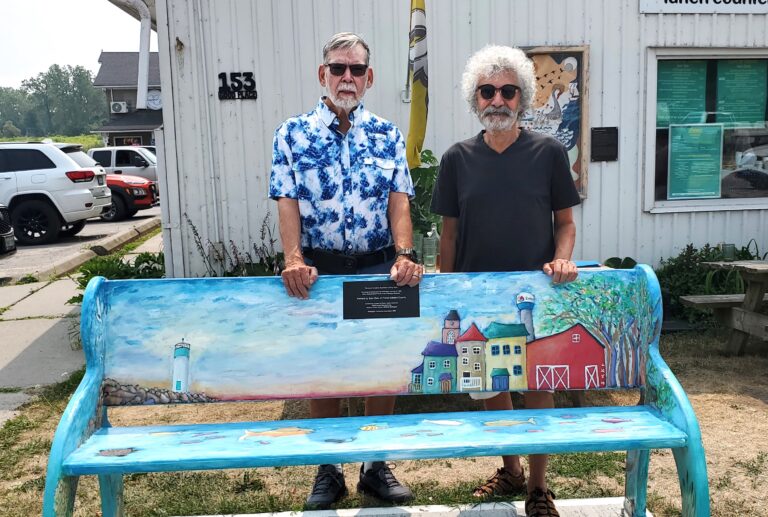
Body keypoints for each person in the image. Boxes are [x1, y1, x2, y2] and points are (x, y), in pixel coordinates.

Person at [269, 32, 422, 510]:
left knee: (382, 369)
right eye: (338, 68)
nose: (348, 77)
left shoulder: (388, 135)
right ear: (323, 74)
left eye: (357, 69)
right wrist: (294, 258)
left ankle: (375, 466)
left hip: (378, 267)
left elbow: (399, 200)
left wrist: (404, 252)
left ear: (370, 77)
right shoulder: (292, 135)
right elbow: (287, 202)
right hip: (321, 270)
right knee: (325, 369)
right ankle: (329, 469)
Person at [430, 45, 580, 517]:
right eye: (488, 90)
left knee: (536, 386)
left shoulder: (549, 152)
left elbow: (566, 224)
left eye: (508, 91)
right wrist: (447, 290)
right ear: (475, 99)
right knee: (492, 385)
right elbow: (448, 233)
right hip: (476, 293)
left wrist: (562, 260)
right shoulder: (456, 158)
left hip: (531, 291)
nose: (498, 99)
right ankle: (510, 469)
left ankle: (538, 488)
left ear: (524, 97)